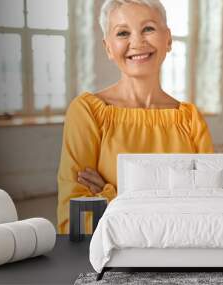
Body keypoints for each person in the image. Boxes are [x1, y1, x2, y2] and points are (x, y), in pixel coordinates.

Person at [57, 0, 214, 234]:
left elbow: (208, 209)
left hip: (181, 260)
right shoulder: (88, 112)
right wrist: (170, 209)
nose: (137, 42)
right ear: (108, 47)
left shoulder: (190, 119)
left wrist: (112, 197)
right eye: (122, 32)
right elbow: (76, 221)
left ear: (168, 39)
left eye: (148, 28)